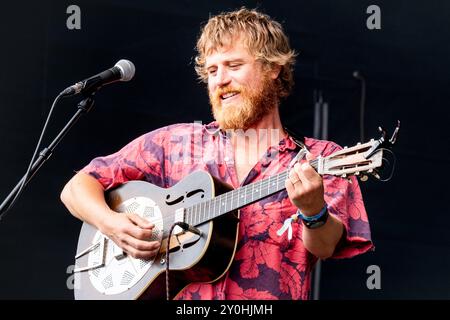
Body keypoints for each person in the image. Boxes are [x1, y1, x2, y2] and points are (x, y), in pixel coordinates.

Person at [60, 8, 373, 300]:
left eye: (234, 65)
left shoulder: (318, 157)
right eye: (212, 70)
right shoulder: (177, 142)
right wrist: (111, 224)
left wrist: (313, 211)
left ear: (273, 68)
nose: (220, 80)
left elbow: (325, 246)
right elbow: (77, 188)